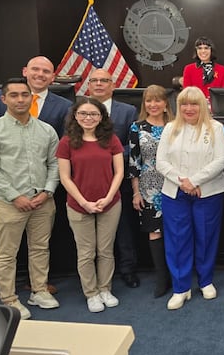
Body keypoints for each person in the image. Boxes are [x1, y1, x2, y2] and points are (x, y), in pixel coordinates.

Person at [0, 56, 71, 305]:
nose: (20, 99)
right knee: (6, 253)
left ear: (32, 98)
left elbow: (55, 162)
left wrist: (48, 191)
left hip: (42, 200)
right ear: (4, 99)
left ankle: (39, 291)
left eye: (24, 96)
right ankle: (8, 298)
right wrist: (14, 196)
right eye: (15, 95)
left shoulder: (46, 130)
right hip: (9, 201)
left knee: (40, 248)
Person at [155, 87, 224, 310]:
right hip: (175, 193)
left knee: (206, 236)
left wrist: (195, 181)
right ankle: (181, 287)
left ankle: (205, 281)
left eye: (194, 104)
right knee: (177, 239)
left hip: (208, 192)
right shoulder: (170, 128)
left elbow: (221, 160)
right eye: (184, 104)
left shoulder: (215, 128)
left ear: (203, 106)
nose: (189, 108)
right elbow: (161, 162)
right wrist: (184, 183)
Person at [56, 97, 124, 313]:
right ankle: (92, 293)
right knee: (86, 252)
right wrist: (84, 202)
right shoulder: (66, 142)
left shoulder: (111, 140)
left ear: (101, 117)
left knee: (105, 250)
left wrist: (108, 196)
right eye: (83, 113)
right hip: (78, 205)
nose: (88, 118)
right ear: (75, 116)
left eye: (94, 114)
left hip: (110, 203)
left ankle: (105, 289)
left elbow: (119, 172)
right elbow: (65, 178)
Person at [88, 68, 141, 289]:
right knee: (89, 231)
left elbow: (133, 145)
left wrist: (111, 161)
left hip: (118, 178)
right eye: (95, 81)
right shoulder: (79, 110)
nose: (99, 84)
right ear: (89, 85)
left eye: (104, 81)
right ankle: (93, 275)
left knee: (123, 227)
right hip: (87, 179)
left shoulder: (127, 111)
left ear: (112, 85)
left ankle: (128, 269)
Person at [128, 85, 173, 299]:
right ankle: (162, 277)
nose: (153, 105)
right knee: (155, 231)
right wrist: (136, 192)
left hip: (174, 184)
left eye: (157, 100)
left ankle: (177, 274)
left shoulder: (175, 127)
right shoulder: (137, 128)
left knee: (174, 230)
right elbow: (134, 161)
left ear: (165, 104)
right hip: (149, 188)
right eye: (148, 101)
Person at [181, 36, 224, 104]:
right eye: (199, 48)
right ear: (196, 51)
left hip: (216, 108)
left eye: (206, 48)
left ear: (211, 50)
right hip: (196, 107)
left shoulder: (222, 70)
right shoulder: (189, 69)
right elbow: (186, 93)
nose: (203, 51)